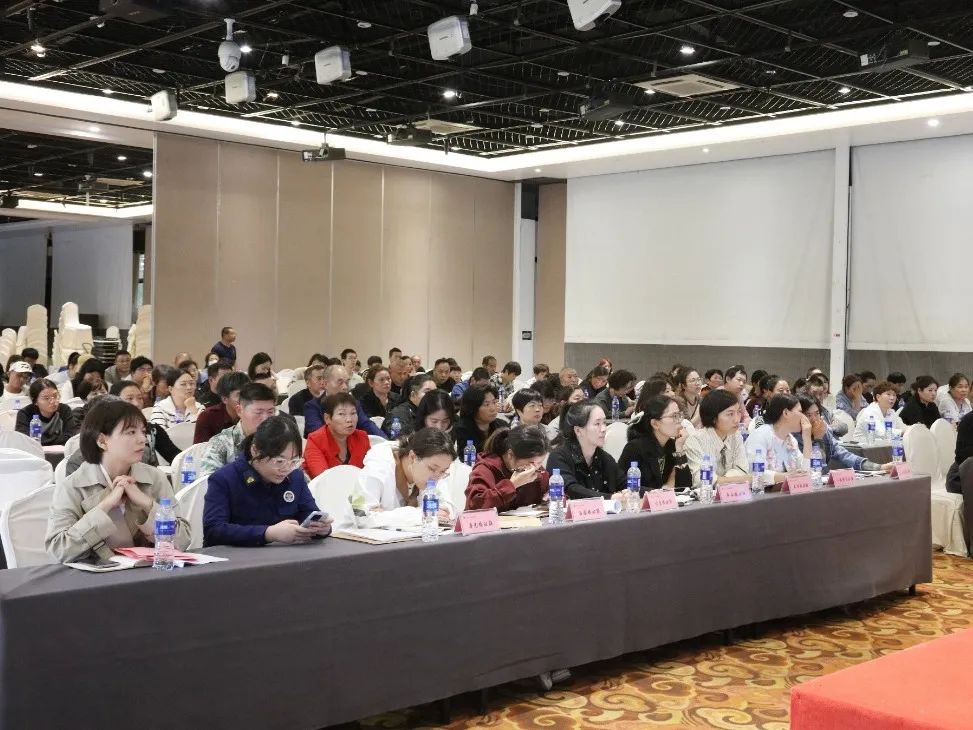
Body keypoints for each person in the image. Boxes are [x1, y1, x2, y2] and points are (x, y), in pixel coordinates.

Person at [45, 398, 190, 563]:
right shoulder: (73, 486)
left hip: (150, 572)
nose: (142, 439)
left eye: (143, 431)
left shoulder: (155, 478)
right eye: (131, 432)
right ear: (102, 441)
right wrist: (105, 506)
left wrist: (148, 504)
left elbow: (183, 541)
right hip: (97, 575)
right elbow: (58, 550)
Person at [203, 416, 332, 547]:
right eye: (279, 461)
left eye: (293, 461)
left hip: (287, 555)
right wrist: (268, 533)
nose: (286, 469)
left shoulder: (295, 477)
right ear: (255, 451)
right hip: (236, 557)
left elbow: (309, 513)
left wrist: (322, 529)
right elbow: (213, 531)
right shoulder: (224, 479)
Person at [62, 385, 179, 475]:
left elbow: (159, 494)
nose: (142, 439)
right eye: (130, 431)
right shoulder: (78, 463)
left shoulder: (143, 453)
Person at [353, 427, 457, 517]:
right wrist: (418, 515)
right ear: (412, 457)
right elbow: (361, 514)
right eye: (432, 469)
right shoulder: (379, 465)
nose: (436, 477)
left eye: (443, 471)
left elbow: (447, 508)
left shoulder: (437, 472)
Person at [547, 402, 625, 500]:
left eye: (604, 423)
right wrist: (610, 498)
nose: (604, 429)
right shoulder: (558, 457)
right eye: (597, 424)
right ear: (578, 431)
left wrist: (635, 492)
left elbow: (625, 483)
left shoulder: (605, 458)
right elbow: (571, 489)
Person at [797, 395, 891, 473]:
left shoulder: (823, 431)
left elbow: (845, 455)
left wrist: (879, 467)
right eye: (808, 415)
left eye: (817, 413)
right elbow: (818, 470)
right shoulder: (795, 436)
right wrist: (818, 439)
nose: (814, 419)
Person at [200, 383, 278, 476]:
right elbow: (209, 481)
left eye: (270, 412)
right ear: (239, 410)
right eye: (258, 412)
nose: (265, 419)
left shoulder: (280, 440)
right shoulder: (220, 444)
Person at [465, 426, 550, 510]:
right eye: (531, 463)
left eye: (540, 463)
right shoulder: (485, 468)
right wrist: (512, 485)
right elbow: (474, 505)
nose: (535, 468)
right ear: (510, 455)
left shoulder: (539, 472)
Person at [619, 394, 691, 492]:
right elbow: (624, 485)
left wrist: (679, 448)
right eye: (674, 416)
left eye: (679, 415)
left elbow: (686, 487)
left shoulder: (672, 445)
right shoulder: (634, 448)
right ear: (655, 424)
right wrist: (664, 490)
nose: (679, 420)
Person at [683, 390, 751, 487]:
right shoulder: (695, 440)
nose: (737, 420)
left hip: (732, 492)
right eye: (730, 414)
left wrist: (723, 480)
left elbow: (742, 469)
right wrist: (733, 480)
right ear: (713, 417)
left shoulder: (736, 436)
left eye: (738, 412)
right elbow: (701, 480)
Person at [302, 365, 386, 439]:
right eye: (340, 382)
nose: (345, 387)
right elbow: (318, 434)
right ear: (325, 383)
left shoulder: (354, 404)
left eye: (347, 382)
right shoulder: (312, 406)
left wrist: (387, 442)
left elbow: (367, 424)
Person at [746, 394, 812, 487]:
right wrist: (786, 476)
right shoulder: (761, 435)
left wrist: (807, 439)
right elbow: (755, 472)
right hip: (762, 492)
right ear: (786, 413)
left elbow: (805, 472)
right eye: (800, 412)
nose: (804, 417)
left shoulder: (791, 440)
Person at [304, 393, 371, 478]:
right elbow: (323, 478)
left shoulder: (361, 436)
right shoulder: (315, 440)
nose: (349, 419)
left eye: (353, 413)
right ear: (327, 418)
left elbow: (371, 469)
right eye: (341, 414)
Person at [15, 378, 79, 446]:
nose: (53, 401)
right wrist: (57, 439)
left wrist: (40, 440)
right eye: (46, 398)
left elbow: (70, 437)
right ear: (35, 401)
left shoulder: (64, 410)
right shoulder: (25, 414)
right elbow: (25, 439)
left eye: (55, 396)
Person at [194, 371, 249, 444]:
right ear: (224, 399)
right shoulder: (207, 417)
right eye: (239, 395)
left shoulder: (255, 414)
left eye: (248, 393)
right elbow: (200, 449)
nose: (246, 399)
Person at [453, 385, 505, 454]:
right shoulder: (461, 431)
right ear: (473, 408)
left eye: (494, 402)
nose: (493, 408)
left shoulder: (502, 425)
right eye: (486, 404)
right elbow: (466, 457)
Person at [383, 374, 438, 438]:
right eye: (427, 392)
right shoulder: (398, 414)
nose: (433, 396)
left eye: (435, 392)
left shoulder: (435, 412)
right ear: (413, 394)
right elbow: (399, 440)